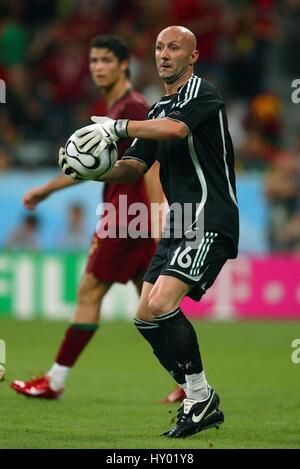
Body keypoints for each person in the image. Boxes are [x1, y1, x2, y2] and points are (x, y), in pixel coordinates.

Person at [62, 25, 239, 438]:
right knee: (144, 316)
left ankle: (198, 398)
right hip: (179, 222)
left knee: (161, 303)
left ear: (192, 56)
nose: (164, 54)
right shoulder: (156, 109)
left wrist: (119, 128)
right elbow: (134, 167)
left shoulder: (202, 93)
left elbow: (177, 130)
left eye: (174, 47)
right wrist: (93, 168)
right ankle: (200, 396)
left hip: (208, 216)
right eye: (159, 47)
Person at [11, 34, 177, 401]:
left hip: (126, 218)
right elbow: (87, 167)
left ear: (123, 65)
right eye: (93, 61)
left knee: (89, 291)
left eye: (105, 60)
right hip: (130, 218)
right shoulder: (115, 108)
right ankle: (190, 383)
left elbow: (150, 168)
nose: (97, 67)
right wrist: (47, 189)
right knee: (153, 307)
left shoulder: (132, 108)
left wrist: (156, 221)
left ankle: (54, 380)